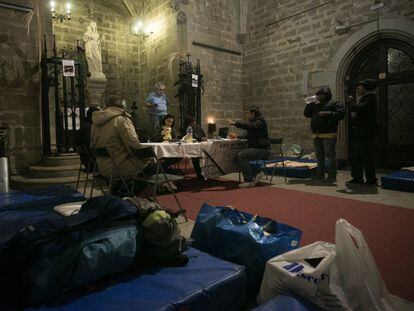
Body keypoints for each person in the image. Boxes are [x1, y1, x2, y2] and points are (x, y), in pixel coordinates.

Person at [91, 96, 155, 194]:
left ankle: (119, 189)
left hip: (102, 166)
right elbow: (133, 145)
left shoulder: (95, 123)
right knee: (152, 165)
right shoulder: (121, 119)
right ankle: (127, 194)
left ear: (106, 106)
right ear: (122, 107)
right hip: (119, 166)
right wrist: (147, 155)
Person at [304, 87, 345, 182]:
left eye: (322, 94)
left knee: (330, 156)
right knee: (319, 156)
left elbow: (341, 114)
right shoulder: (316, 105)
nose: (320, 96)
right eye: (318, 94)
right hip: (317, 134)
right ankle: (320, 175)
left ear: (327, 95)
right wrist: (309, 104)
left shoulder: (334, 103)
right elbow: (307, 114)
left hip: (328, 134)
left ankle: (332, 176)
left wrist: (327, 113)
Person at [228, 105, 271, 188]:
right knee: (236, 158)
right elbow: (249, 135)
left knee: (242, 155)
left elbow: (250, 126)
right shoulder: (255, 122)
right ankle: (256, 173)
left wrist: (236, 123)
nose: (247, 115)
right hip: (256, 148)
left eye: (248, 113)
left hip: (263, 149)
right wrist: (237, 136)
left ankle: (249, 181)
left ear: (253, 113)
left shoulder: (260, 121)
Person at [346, 79, 378, 186]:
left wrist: (351, 101)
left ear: (365, 88)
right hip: (358, 132)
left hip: (365, 133)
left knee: (367, 157)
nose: (357, 89)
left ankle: (371, 179)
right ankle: (357, 178)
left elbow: (359, 109)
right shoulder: (362, 98)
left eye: (359, 87)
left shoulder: (370, 98)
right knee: (356, 156)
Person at [75, 106, 101, 171]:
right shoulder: (89, 128)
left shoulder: (85, 125)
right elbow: (90, 146)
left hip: (86, 160)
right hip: (91, 162)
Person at [187, 116, 207, 180]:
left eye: (194, 121)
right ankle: (199, 174)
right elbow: (188, 138)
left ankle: (211, 172)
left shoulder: (198, 127)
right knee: (195, 156)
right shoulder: (188, 128)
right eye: (192, 122)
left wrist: (204, 138)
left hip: (201, 145)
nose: (194, 123)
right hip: (191, 147)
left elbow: (204, 136)